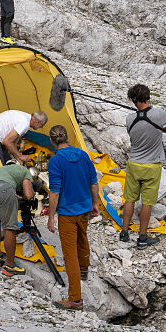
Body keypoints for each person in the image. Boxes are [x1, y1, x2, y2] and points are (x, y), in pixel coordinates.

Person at [119, 83, 166, 247]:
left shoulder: (129, 118)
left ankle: (124, 233)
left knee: (129, 199)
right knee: (147, 202)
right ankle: (142, 238)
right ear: (148, 97)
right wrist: (162, 130)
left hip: (133, 164)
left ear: (133, 100)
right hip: (151, 166)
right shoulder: (159, 114)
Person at [45, 124, 100, 311]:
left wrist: (51, 216)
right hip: (84, 207)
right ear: (67, 137)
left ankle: (75, 299)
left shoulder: (55, 161)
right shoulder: (83, 155)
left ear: (52, 141)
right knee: (82, 237)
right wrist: (95, 204)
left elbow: (54, 192)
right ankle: (84, 268)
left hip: (67, 212)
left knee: (69, 255)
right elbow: (93, 183)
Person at [0, 162, 36, 277]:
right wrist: (29, 193)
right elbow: (28, 195)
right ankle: (10, 266)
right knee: (10, 227)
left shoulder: (3, 170)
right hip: (2, 189)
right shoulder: (25, 172)